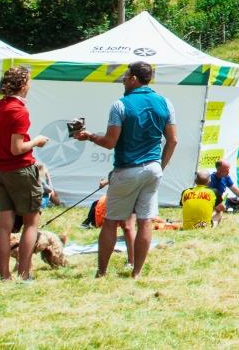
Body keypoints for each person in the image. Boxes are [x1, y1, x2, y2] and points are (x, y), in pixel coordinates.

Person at [74, 61, 178, 278]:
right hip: (153, 168)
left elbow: (110, 142)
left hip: (127, 169)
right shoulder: (165, 103)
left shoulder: (120, 105)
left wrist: (90, 136)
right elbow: (173, 141)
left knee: (111, 221)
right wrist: (160, 165)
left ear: (134, 79)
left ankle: (101, 272)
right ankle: (137, 272)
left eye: (125, 76)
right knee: (145, 220)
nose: (122, 79)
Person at [0, 67, 50, 281]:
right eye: (29, 82)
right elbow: (17, 148)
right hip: (20, 169)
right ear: (23, 84)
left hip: (0, 170)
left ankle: (5, 275)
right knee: (31, 222)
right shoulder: (19, 111)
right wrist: (37, 141)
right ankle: (25, 273)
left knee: (4, 225)